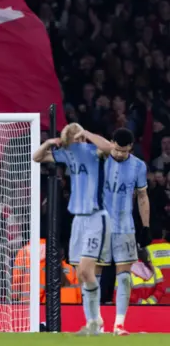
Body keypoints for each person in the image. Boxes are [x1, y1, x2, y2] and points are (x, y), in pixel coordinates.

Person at [32, 123, 113, 335]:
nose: (75, 143)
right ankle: (93, 325)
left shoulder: (94, 151)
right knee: (83, 275)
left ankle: (97, 320)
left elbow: (108, 148)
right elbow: (37, 157)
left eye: (76, 139)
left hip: (96, 217)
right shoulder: (67, 155)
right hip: (78, 220)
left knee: (87, 271)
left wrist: (86, 132)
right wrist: (49, 142)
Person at [103, 128, 150, 335]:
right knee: (93, 277)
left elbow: (142, 196)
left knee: (123, 277)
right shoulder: (100, 160)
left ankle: (119, 324)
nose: (120, 154)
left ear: (130, 147)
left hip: (125, 228)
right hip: (100, 227)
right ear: (111, 143)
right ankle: (95, 322)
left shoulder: (138, 166)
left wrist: (146, 225)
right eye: (117, 149)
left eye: (124, 151)